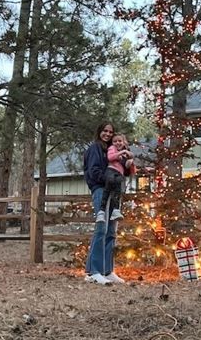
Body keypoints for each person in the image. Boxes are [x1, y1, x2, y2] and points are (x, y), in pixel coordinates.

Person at [83, 122, 125, 285]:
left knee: (111, 231)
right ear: (99, 132)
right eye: (105, 131)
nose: (107, 134)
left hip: (114, 191)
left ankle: (107, 270)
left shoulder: (112, 150)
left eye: (110, 132)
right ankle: (94, 271)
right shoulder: (95, 149)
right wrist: (109, 182)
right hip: (101, 190)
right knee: (101, 229)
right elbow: (93, 172)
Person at [96, 133, 134, 223]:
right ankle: (101, 211)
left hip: (119, 173)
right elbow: (110, 157)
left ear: (124, 142)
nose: (117, 143)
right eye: (115, 141)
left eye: (120, 141)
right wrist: (121, 152)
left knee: (118, 189)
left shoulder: (126, 152)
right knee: (109, 184)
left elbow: (127, 166)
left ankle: (116, 210)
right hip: (111, 170)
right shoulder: (112, 149)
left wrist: (129, 162)